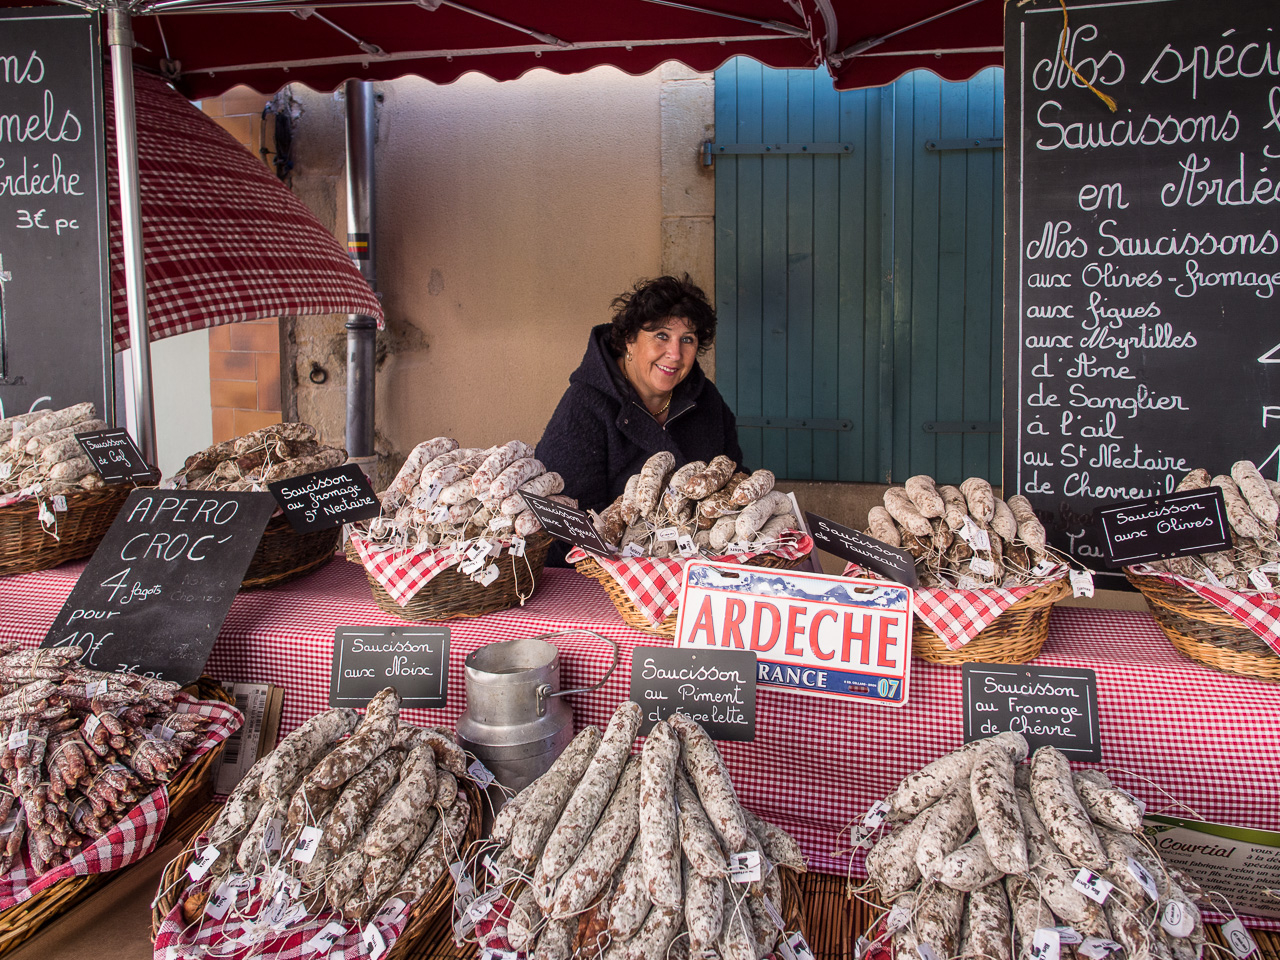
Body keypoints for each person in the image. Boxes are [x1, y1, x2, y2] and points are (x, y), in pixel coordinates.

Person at [536, 275, 745, 520]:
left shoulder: (706, 399)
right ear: (629, 340)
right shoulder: (584, 405)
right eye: (662, 336)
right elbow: (566, 520)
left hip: (698, 554)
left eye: (687, 339)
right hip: (604, 557)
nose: (675, 354)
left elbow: (734, 482)